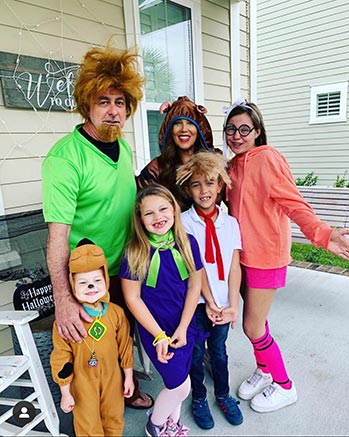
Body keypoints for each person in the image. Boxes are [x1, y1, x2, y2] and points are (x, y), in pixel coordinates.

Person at [42, 43, 153, 409]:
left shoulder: (123, 148)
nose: (113, 111)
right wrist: (63, 298)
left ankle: (128, 385)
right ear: (86, 103)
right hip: (85, 276)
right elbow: (56, 237)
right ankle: (91, 412)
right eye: (104, 101)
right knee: (91, 348)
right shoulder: (65, 158)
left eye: (120, 102)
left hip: (123, 269)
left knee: (123, 334)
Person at [222, 97, 349, 413]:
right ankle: (264, 370)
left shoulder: (268, 158)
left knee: (252, 326)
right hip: (242, 258)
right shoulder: (233, 165)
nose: (236, 135)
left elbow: (293, 203)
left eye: (244, 129)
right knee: (258, 324)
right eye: (230, 129)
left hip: (266, 257)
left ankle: (284, 385)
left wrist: (323, 233)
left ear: (257, 132)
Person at [119, 184, 203, 436]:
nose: (158, 217)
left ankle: (171, 425)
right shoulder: (135, 251)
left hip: (184, 325)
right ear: (140, 219)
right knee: (180, 386)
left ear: (175, 210)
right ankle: (154, 424)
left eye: (163, 209)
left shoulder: (187, 243)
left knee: (179, 379)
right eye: (149, 213)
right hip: (156, 329)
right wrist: (159, 335)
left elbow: (194, 286)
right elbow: (133, 298)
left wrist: (184, 327)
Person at [177, 151, 243, 430]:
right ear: (188, 189)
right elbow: (194, 267)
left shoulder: (231, 224)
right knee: (194, 352)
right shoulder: (182, 221)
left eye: (210, 183)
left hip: (224, 305)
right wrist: (209, 302)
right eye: (196, 184)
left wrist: (232, 305)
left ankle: (223, 395)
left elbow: (234, 266)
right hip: (197, 304)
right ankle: (199, 398)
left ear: (220, 186)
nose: (204, 190)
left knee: (219, 351)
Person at [51, 241, 134, 436]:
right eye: (82, 282)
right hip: (82, 382)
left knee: (114, 416)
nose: (91, 286)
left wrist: (128, 377)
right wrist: (65, 392)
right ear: (72, 285)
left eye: (97, 280)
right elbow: (61, 357)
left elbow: (125, 346)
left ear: (106, 280)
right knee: (87, 423)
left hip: (113, 378)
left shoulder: (116, 313)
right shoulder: (67, 321)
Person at [136, 96, 215, 211]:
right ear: (169, 129)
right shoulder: (158, 167)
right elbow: (138, 200)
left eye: (190, 123)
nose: (183, 129)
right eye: (177, 123)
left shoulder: (214, 163)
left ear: (199, 129)